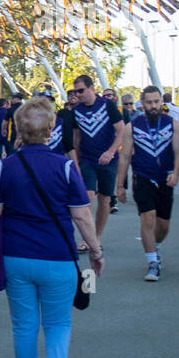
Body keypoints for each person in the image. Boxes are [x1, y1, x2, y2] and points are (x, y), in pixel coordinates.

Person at [0, 96, 104, 358]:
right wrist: (95, 250)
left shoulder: (3, 167)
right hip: (58, 256)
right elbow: (81, 215)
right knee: (58, 322)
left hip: (16, 256)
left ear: (18, 131)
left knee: (24, 326)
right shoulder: (64, 166)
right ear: (51, 130)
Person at [116, 86, 179, 281]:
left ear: (161, 102)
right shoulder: (132, 127)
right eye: (149, 102)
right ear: (142, 103)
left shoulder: (173, 124)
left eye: (156, 102)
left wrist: (176, 173)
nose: (153, 106)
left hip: (165, 178)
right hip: (143, 177)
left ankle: (156, 246)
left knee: (163, 226)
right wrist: (120, 186)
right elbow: (125, 156)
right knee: (148, 218)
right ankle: (152, 262)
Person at [71, 75, 124, 246]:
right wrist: (76, 162)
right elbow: (76, 137)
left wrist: (110, 151)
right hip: (87, 159)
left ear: (91, 88)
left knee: (105, 200)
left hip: (109, 160)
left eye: (81, 90)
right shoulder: (76, 111)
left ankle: (97, 236)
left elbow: (122, 131)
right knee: (87, 197)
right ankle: (88, 238)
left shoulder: (108, 105)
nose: (78, 95)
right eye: (75, 92)